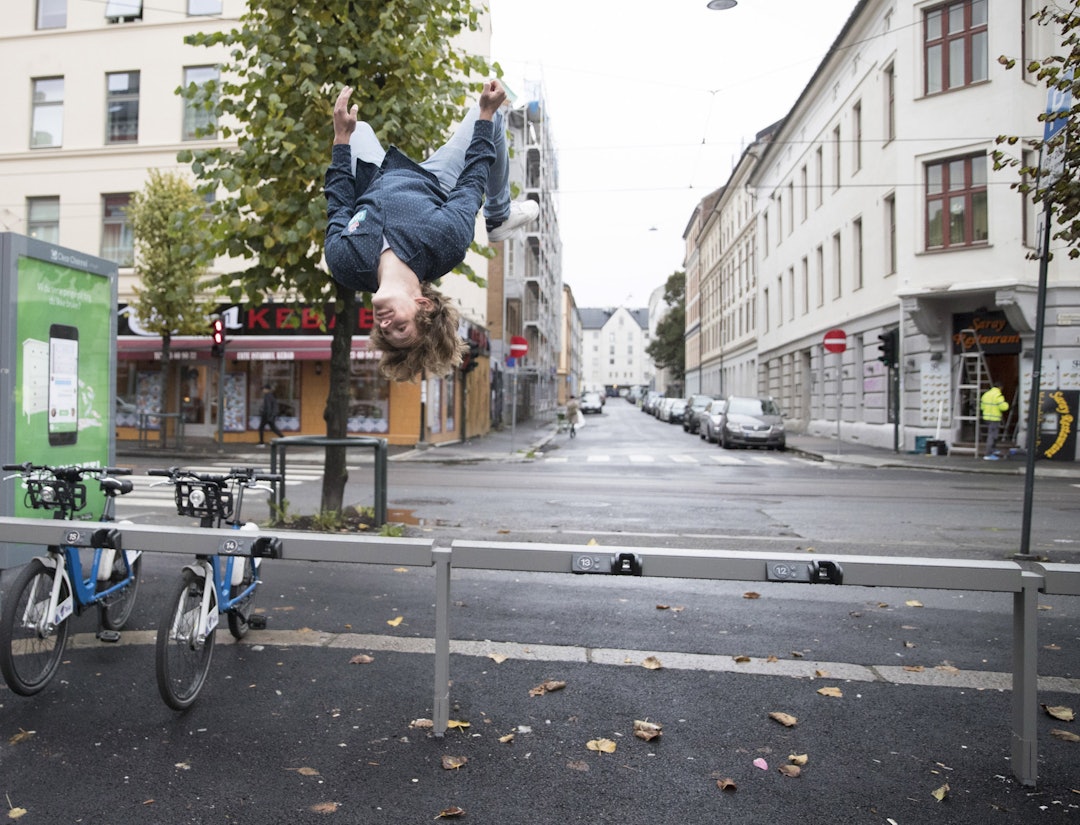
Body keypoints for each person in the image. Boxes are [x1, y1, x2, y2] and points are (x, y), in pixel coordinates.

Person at [324, 79, 539, 382]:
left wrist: (341, 140)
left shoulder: (346, 264)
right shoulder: (444, 243)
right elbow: (472, 180)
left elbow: (338, 204)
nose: (386, 326)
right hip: (437, 182)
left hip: (376, 177)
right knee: (493, 117)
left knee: (359, 129)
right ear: (422, 305)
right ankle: (499, 215)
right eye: (401, 328)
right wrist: (486, 115)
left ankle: (351, 134)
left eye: (385, 332)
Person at [980, 381, 1009, 460]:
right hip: (994, 418)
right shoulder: (998, 395)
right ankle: (988, 454)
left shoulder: (986, 395)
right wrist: (1007, 404)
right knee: (992, 436)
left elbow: (982, 407)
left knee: (993, 434)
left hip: (986, 418)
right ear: (1000, 387)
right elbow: (1004, 407)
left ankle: (993, 450)